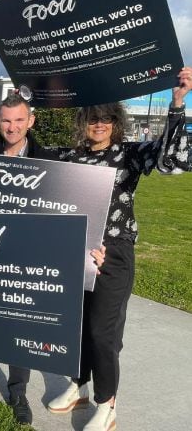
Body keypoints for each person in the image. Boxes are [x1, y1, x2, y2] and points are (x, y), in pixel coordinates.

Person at [0, 93, 106, 425]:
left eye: (18, 120)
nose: (11, 127)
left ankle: (18, 390)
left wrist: (90, 248)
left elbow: (68, 210)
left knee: (19, 322)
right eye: (5, 120)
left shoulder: (49, 161)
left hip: (27, 259)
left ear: (31, 121)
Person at [47, 67, 191, 431]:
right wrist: (30, 97)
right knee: (75, 328)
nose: (100, 124)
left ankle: (107, 403)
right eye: (93, 118)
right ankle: (78, 386)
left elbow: (170, 160)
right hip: (76, 253)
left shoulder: (128, 155)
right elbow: (30, 171)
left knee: (101, 332)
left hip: (115, 254)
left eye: (107, 118)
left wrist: (177, 104)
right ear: (83, 122)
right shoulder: (69, 156)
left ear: (117, 121)